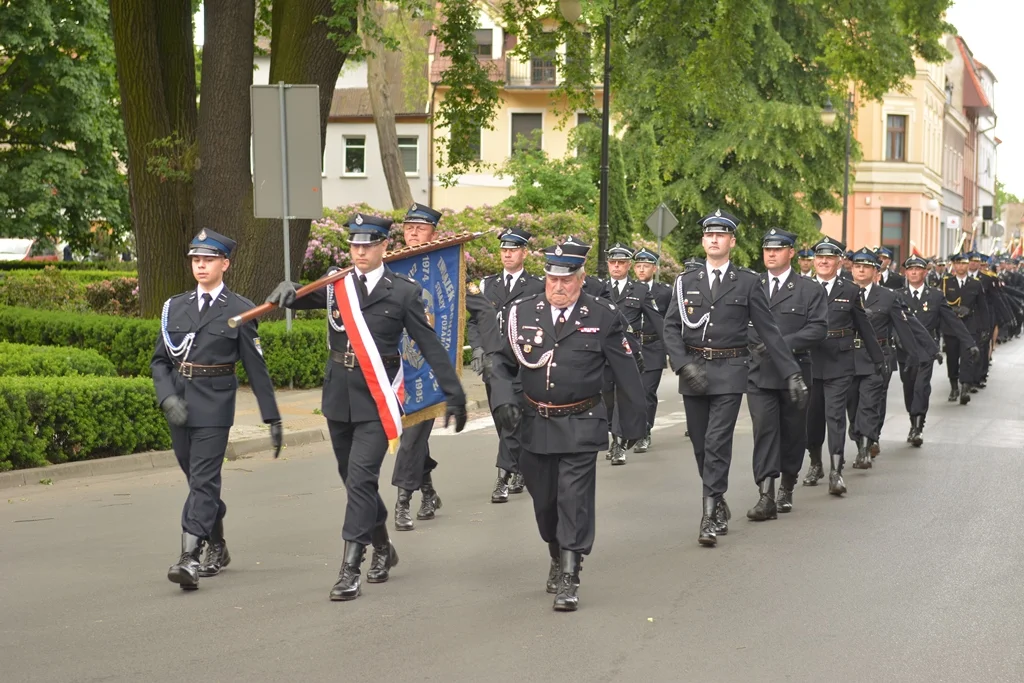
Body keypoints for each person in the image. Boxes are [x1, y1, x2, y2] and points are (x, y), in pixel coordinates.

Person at [265, 213, 467, 602]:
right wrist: (288, 288)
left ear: (383, 248)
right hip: (338, 396)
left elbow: (427, 344)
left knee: (360, 480)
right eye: (354, 245)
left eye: (367, 245)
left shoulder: (403, 292)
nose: (359, 251)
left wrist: (452, 392)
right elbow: (299, 297)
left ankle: (349, 568)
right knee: (352, 481)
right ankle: (384, 547)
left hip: (378, 400)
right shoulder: (335, 285)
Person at [488, 239, 646, 611]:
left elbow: (626, 370)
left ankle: (571, 573)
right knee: (545, 503)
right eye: (551, 280)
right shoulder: (522, 313)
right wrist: (503, 401)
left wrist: (635, 422)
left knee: (574, 499)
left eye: (566, 280)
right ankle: (556, 554)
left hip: (581, 420)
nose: (558, 288)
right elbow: (499, 361)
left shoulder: (602, 315)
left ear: (581, 277)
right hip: (534, 422)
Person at [663, 209, 807, 547]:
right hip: (694, 371)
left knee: (716, 443)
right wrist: (684, 365)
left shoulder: (747, 282)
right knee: (700, 445)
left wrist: (792, 373)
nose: (714, 239)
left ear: (732, 241)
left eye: (721, 235)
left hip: (729, 371)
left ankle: (708, 515)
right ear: (703, 240)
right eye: (709, 234)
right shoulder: (686, 282)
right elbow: (671, 328)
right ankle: (718, 499)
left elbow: (769, 333)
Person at [152, 229, 283, 591]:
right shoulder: (174, 307)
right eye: (196, 259)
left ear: (225, 263)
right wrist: (167, 398)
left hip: (215, 402)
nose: (201, 265)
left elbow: (257, 369)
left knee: (204, 480)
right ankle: (218, 545)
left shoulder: (240, 309)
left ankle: (189, 558)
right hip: (179, 401)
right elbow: (160, 362)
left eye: (208, 259)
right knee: (199, 484)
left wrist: (272, 417)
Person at [745, 229, 827, 519]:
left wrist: (781, 345)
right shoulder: (751, 285)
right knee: (764, 431)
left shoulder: (809, 289)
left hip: (795, 372)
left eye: (777, 249)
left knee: (793, 433)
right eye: (767, 249)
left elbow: (818, 329)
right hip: (759, 372)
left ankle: (787, 486)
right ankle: (766, 493)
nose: (770, 254)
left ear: (791, 252)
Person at [466, 226, 545, 503]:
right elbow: (473, 321)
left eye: (513, 249)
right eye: (504, 249)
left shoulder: (536, 286)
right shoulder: (487, 285)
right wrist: (476, 348)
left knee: (514, 416)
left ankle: (503, 476)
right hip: (495, 361)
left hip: (525, 361)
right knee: (503, 416)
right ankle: (518, 465)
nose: (507, 254)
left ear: (524, 252)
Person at [803, 237, 883, 496]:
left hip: (839, 361)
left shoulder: (849, 290)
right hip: (810, 361)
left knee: (835, 417)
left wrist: (878, 359)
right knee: (812, 419)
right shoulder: (802, 287)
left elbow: (865, 328)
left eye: (829, 257)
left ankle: (836, 471)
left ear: (839, 261)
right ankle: (816, 463)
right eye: (819, 257)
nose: (823, 261)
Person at [389, 204, 452, 530]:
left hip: (428, 370)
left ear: (433, 233)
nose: (412, 232)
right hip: (394, 370)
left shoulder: (445, 267)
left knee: (412, 437)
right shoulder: (390, 268)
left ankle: (403, 502)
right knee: (412, 435)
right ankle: (428, 491)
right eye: (408, 227)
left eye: (420, 228)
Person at [845, 247, 927, 469]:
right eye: (857, 266)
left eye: (866, 267)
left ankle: (864, 449)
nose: (861, 270)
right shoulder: (842, 292)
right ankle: (860, 436)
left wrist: (913, 356)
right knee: (852, 407)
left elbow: (904, 327)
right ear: (851, 269)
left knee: (870, 404)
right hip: (847, 358)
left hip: (877, 358)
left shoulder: (889, 297)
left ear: (876, 272)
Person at [897, 255, 979, 445]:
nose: (914, 272)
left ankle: (918, 427)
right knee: (909, 388)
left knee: (921, 387)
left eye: (918, 269)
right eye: (910, 269)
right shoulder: (898, 295)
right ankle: (913, 421)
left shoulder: (935, 296)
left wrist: (969, 342)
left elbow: (952, 320)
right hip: (904, 350)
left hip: (927, 349)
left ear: (925, 272)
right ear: (906, 272)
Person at [602, 243, 661, 465]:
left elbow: (658, 321)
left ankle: (618, 444)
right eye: (612, 262)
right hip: (602, 353)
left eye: (621, 263)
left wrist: (675, 351)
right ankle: (614, 432)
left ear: (628, 265)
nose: (616, 266)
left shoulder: (640, 291)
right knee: (606, 397)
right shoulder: (599, 289)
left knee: (622, 398)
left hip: (628, 353)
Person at [631, 247, 672, 452]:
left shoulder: (664, 292)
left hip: (653, 346)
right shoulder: (628, 289)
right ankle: (630, 430)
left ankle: (645, 431)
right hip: (631, 347)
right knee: (631, 391)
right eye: (638, 266)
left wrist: (670, 350)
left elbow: (669, 321)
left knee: (647, 391)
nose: (641, 270)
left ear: (654, 268)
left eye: (645, 266)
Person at [941, 252, 988, 404]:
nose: (960, 266)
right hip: (951, 327)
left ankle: (965, 389)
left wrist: (985, 328)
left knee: (968, 358)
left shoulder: (975, 284)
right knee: (953, 359)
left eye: (963, 263)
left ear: (968, 265)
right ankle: (954, 386)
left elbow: (983, 307)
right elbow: (940, 305)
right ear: (954, 266)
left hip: (970, 326)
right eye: (958, 263)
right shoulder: (946, 282)